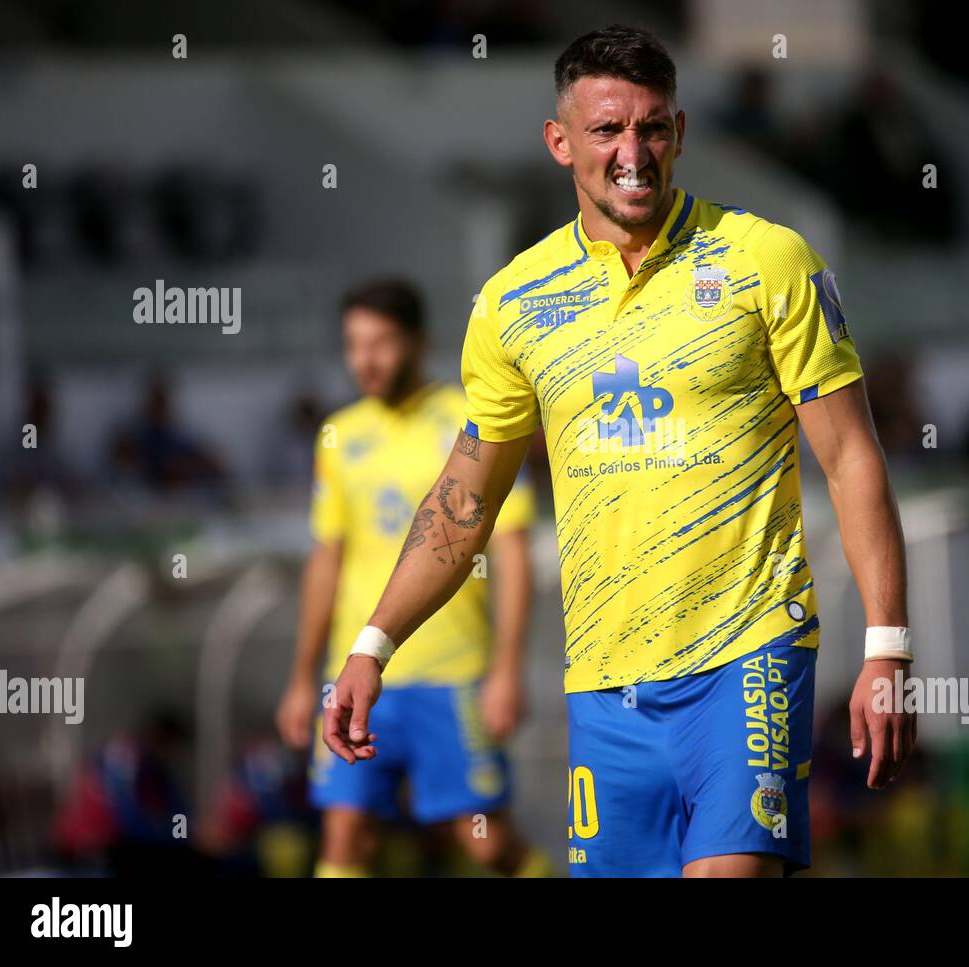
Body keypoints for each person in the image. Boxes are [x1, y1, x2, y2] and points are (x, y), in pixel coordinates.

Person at [325, 25, 915, 878]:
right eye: (607, 131)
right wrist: (371, 646)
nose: (631, 152)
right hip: (605, 686)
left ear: (679, 132)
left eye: (651, 128)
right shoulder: (512, 303)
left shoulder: (767, 261)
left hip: (747, 655)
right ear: (560, 143)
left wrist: (888, 647)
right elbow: (464, 500)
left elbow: (853, 457)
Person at [276, 277, 549, 877]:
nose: (365, 361)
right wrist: (303, 678)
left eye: (381, 344)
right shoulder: (340, 435)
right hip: (355, 673)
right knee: (345, 831)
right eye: (354, 345)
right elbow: (327, 560)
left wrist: (507, 669)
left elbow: (511, 553)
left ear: (419, 343)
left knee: (483, 843)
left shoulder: (473, 421)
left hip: (452, 675)